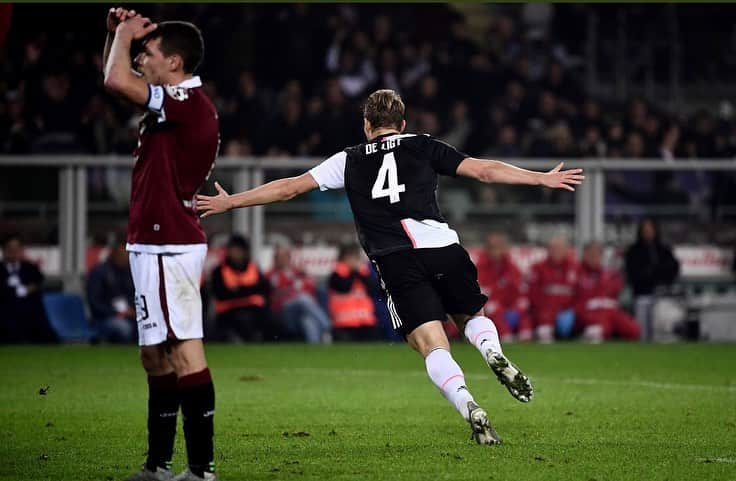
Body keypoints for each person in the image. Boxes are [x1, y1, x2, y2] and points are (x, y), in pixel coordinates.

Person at [197, 89, 583, 444]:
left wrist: (232, 203)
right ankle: (490, 351)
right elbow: (483, 170)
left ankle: (470, 406)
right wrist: (540, 178)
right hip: (441, 247)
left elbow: (290, 188)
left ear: (366, 125)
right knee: (471, 315)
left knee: (431, 343)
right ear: (402, 124)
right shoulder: (423, 145)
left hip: (395, 258)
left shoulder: (347, 159)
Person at [103, 8, 220, 481]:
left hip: (169, 242)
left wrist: (125, 33)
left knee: (184, 350)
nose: (139, 60)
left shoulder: (185, 100)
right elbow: (116, 74)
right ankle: (157, 466)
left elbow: (115, 81)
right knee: (153, 353)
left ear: (173, 63)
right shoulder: (174, 100)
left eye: (146, 53)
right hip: (152, 243)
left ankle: (201, 470)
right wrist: (118, 36)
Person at [624, 218, 680, 338]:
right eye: (645, 230)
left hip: (662, 295)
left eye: (650, 230)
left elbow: (673, 268)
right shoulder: (634, 251)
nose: (648, 232)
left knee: (661, 331)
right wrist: (650, 274)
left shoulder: (663, 249)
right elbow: (633, 273)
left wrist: (655, 274)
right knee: (642, 331)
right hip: (642, 295)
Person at [575, 241, 641, 342]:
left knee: (633, 330)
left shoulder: (609, 274)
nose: (594, 257)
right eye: (591, 254)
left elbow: (617, 291)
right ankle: (592, 334)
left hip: (611, 311)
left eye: (597, 254)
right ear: (585, 255)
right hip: (589, 311)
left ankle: (602, 334)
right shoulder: (577, 273)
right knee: (602, 327)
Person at [211, 235, 271, 342]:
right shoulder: (219, 271)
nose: (236, 254)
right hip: (229, 311)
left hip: (253, 310)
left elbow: (265, 289)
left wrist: (238, 290)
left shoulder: (253, 268)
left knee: (267, 318)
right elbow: (220, 293)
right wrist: (248, 290)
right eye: (233, 250)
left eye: (239, 250)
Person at [267, 244, 332, 344]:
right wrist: (294, 290)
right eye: (279, 257)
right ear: (275, 258)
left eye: (284, 256)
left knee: (308, 321)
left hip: (302, 312)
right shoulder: (270, 275)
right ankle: (328, 326)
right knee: (302, 299)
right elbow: (276, 295)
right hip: (284, 313)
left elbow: (312, 288)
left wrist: (304, 276)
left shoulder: (298, 272)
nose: (282, 259)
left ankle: (317, 351)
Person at [475, 233, 532, 342]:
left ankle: (526, 336)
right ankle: (505, 336)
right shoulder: (481, 266)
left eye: (499, 248)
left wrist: (519, 301)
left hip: (509, 304)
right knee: (493, 309)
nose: (496, 252)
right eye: (493, 248)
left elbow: (518, 288)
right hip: (492, 304)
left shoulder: (511, 265)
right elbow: (481, 291)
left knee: (523, 308)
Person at [0, 234, 56, 343]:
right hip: (6, 311)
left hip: (29, 310)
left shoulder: (30, 268)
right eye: (10, 249)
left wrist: (28, 289)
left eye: (17, 249)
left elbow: (38, 282)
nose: (14, 252)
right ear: (4, 250)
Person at [528, 235, 579, 343]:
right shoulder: (538, 268)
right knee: (544, 330)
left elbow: (580, 293)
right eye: (554, 248)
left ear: (566, 250)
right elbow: (533, 294)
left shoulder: (575, 268)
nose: (557, 252)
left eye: (560, 248)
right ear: (548, 250)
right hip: (545, 312)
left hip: (567, 312)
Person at [86, 241, 136, 343]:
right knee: (123, 327)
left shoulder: (128, 273)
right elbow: (95, 303)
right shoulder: (99, 273)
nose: (125, 258)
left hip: (128, 316)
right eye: (122, 255)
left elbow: (133, 296)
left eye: (127, 255)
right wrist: (117, 313)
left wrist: (132, 310)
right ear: (113, 254)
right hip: (104, 318)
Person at [328, 244, 380, 341]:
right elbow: (344, 288)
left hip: (365, 321)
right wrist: (354, 271)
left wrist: (359, 273)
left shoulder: (363, 273)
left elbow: (374, 289)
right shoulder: (336, 274)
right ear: (343, 258)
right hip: (343, 324)